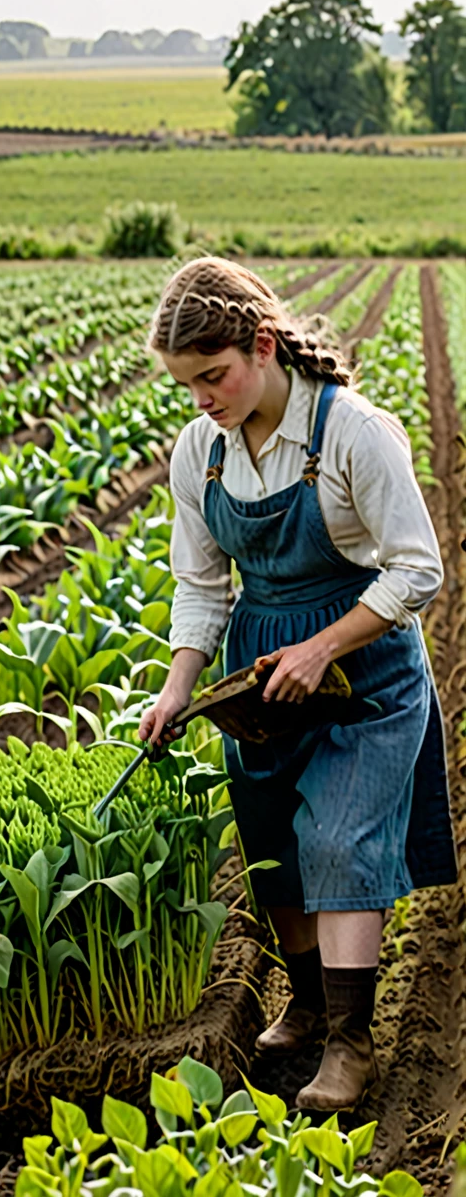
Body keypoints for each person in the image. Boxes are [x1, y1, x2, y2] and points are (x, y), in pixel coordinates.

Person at [138, 256, 457, 1110]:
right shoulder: (200, 452)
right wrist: (178, 687)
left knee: (342, 840)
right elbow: (202, 585)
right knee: (274, 843)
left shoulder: (352, 430)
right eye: (188, 384)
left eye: (215, 375)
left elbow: (418, 570)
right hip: (263, 671)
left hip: (364, 669)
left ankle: (352, 1046)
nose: (203, 397)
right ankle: (309, 1007)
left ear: (264, 344)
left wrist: (326, 646)